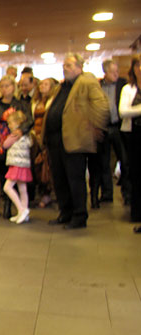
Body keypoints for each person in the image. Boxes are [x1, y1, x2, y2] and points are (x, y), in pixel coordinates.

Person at [43, 53, 109, 229]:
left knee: (75, 179)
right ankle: (65, 212)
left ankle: (79, 216)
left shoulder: (86, 82)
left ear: (80, 67)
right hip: (55, 140)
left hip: (74, 139)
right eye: (64, 65)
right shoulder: (62, 87)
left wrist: (97, 128)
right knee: (59, 179)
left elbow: (101, 105)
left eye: (70, 65)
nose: (65, 68)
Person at [0, 75, 32, 219]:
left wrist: (21, 131)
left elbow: (29, 121)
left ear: (13, 87)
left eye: (7, 86)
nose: (5, 89)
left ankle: (8, 206)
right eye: (2, 86)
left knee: (8, 178)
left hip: (12, 146)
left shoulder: (20, 104)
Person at [97, 59, 129, 204]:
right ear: (105, 72)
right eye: (112, 72)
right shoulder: (98, 86)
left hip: (119, 127)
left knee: (124, 159)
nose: (116, 74)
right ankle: (106, 194)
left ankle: (127, 193)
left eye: (117, 71)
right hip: (104, 127)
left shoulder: (123, 84)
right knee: (104, 162)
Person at [118, 55, 141, 232]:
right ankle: (137, 213)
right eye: (137, 65)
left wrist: (134, 111)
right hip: (132, 135)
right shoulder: (128, 88)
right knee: (134, 173)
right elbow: (123, 112)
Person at [31, 78, 59, 208]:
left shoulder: (53, 101)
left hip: (47, 138)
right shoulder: (35, 102)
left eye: (46, 84)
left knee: (48, 167)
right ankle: (42, 193)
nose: (42, 86)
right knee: (38, 166)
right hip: (35, 138)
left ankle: (50, 193)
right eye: (41, 84)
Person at [2, 111, 33, 224]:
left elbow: (5, 144)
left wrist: (9, 136)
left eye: (10, 123)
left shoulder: (15, 134)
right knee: (22, 188)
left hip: (16, 163)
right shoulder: (27, 135)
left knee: (7, 187)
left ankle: (21, 209)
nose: (9, 125)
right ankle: (23, 212)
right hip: (24, 164)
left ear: (18, 123)